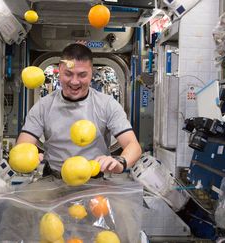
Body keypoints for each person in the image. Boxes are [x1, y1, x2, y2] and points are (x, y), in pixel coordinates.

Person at [16, 43, 142, 176]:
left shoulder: (107, 105)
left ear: (91, 74)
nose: (74, 82)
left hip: (95, 180)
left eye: (82, 75)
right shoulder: (43, 106)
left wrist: (120, 162)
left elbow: (133, 145)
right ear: (59, 70)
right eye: (68, 74)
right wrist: (28, 158)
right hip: (54, 180)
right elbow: (23, 145)